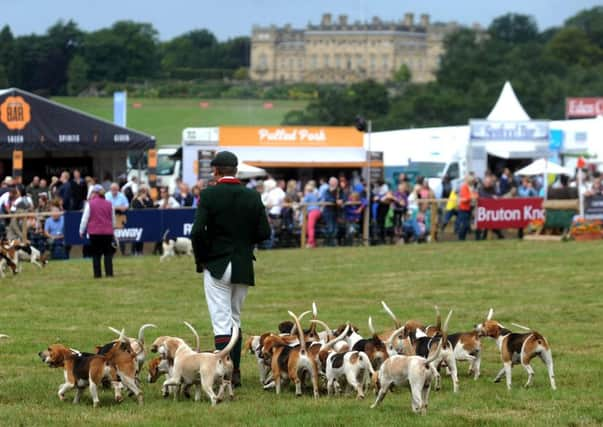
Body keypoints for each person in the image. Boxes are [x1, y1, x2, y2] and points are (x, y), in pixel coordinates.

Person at [191, 151, 271, 388]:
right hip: (243, 264)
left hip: (217, 263)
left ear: (216, 171)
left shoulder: (209, 195)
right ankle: (234, 370)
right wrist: (246, 243)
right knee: (235, 318)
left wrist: (202, 257)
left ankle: (224, 371)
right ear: (235, 170)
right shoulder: (252, 196)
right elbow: (264, 233)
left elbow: (196, 232)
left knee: (221, 320)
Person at [79, 185, 115, 278]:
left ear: (95, 193)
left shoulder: (90, 204)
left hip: (94, 232)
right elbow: (113, 219)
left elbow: (85, 219)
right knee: (108, 253)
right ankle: (109, 273)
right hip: (107, 232)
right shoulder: (110, 204)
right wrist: (113, 229)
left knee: (96, 254)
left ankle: (97, 274)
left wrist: (81, 230)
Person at [303, 182, 321, 248]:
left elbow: (302, 203)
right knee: (310, 227)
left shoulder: (308, 195)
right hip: (317, 211)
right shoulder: (314, 195)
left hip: (312, 212)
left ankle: (310, 243)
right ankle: (313, 243)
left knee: (310, 228)